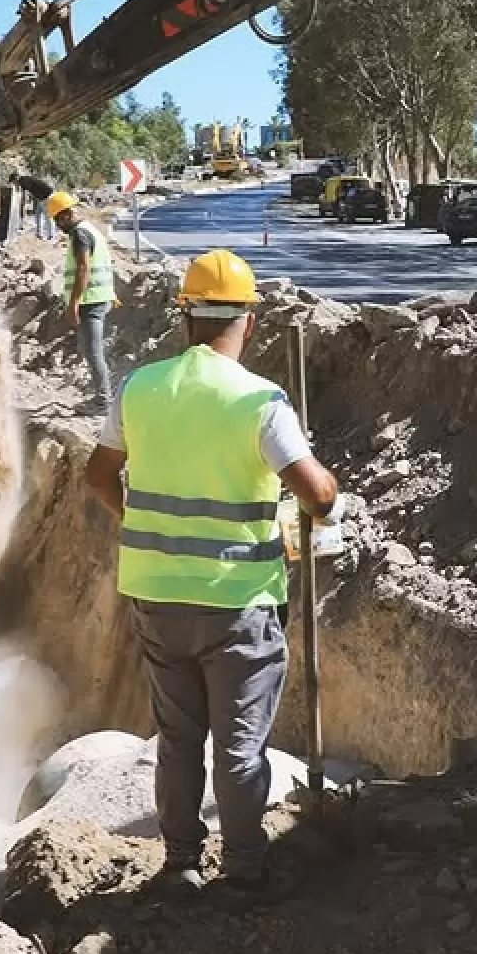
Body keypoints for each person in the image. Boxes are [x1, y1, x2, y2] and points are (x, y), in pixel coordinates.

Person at [83, 249, 341, 905]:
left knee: (178, 740)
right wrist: (323, 495)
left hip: (157, 597)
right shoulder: (261, 401)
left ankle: (180, 865)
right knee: (239, 748)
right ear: (248, 322)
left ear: (185, 316)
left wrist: (145, 520)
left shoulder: (139, 387)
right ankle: (246, 871)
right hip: (238, 604)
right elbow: (317, 495)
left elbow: (97, 476)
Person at [47, 191, 114, 409]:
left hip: (90, 302)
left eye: (57, 221)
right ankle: (102, 396)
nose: (58, 226)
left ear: (65, 216)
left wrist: (74, 303)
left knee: (93, 351)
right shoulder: (90, 229)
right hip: (97, 298)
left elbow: (84, 268)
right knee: (90, 349)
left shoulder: (80, 235)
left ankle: (103, 400)